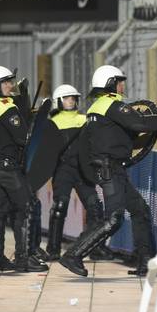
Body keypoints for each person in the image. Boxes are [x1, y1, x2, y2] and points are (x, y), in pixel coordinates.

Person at [59, 65, 157, 277]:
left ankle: (146, 262)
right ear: (111, 83)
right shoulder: (111, 105)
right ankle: (73, 255)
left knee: (140, 210)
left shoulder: (97, 108)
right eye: (120, 81)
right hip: (110, 169)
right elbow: (138, 123)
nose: (123, 85)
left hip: (112, 168)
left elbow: (124, 135)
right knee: (113, 218)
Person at [0, 66, 48, 272]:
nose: (10, 85)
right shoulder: (5, 107)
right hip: (9, 166)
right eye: (5, 82)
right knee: (27, 206)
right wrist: (29, 118)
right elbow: (22, 136)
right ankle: (24, 258)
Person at [45, 84, 114, 261]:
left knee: (95, 207)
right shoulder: (52, 123)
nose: (71, 101)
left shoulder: (86, 119)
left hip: (84, 169)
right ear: (58, 101)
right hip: (63, 170)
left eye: (73, 98)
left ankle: (94, 247)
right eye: (67, 98)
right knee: (60, 207)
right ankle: (52, 249)